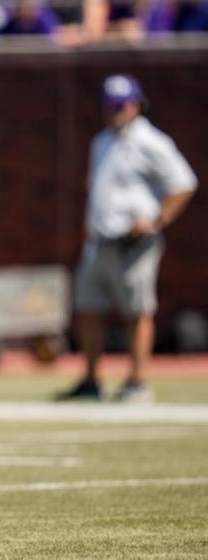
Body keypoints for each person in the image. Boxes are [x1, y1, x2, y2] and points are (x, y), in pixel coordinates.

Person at [58, 74, 197, 403]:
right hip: (101, 241)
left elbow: (184, 182)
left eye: (122, 105)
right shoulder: (102, 139)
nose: (116, 111)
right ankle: (91, 379)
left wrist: (157, 220)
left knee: (137, 312)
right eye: (110, 106)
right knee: (88, 308)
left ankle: (137, 381)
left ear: (136, 105)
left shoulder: (151, 141)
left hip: (133, 245)